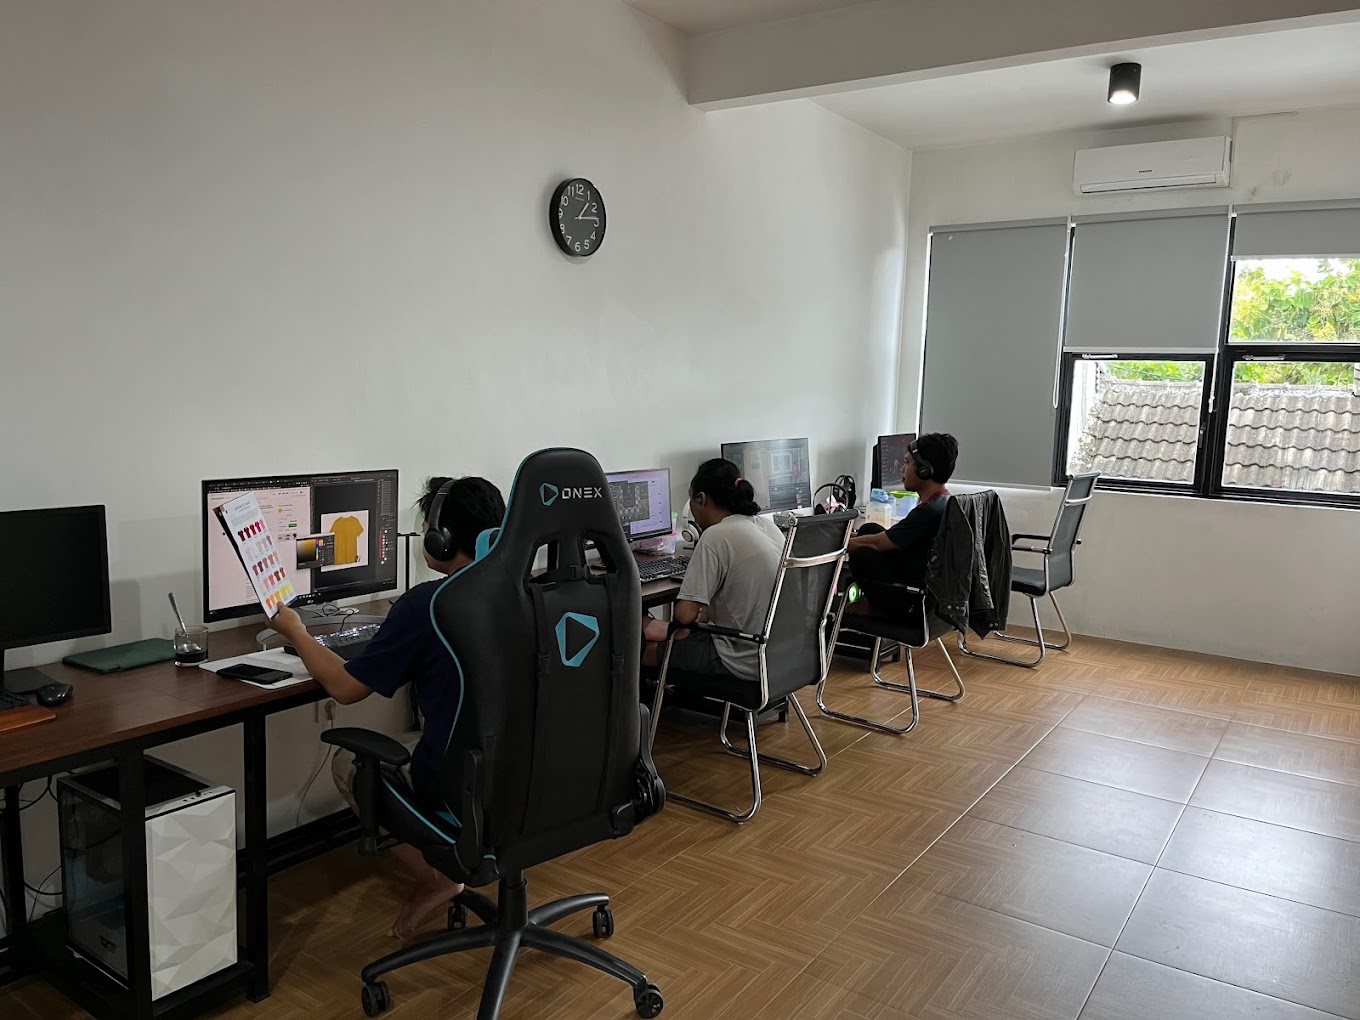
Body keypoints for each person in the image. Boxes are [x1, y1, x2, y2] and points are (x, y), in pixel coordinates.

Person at [270, 475, 505, 939]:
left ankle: (438, 878)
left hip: (462, 781)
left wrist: (295, 630)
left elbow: (344, 688)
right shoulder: (525, 590)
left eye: (426, 530)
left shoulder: (429, 605)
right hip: (524, 773)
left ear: (442, 539)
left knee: (348, 763)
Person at [642, 459, 784, 680]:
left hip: (741, 657)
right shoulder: (766, 526)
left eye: (691, 499)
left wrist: (663, 627)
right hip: (782, 656)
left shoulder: (715, 536)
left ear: (701, 499)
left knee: (642, 650)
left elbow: (685, 615)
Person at [844, 432, 959, 615]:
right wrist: (843, 538)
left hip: (912, 597)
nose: (902, 469)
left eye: (907, 463)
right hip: (921, 580)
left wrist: (832, 546)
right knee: (869, 529)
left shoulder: (927, 512)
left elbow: (877, 543)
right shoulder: (942, 501)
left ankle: (879, 610)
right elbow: (881, 538)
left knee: (862, 555)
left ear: (923, 470)